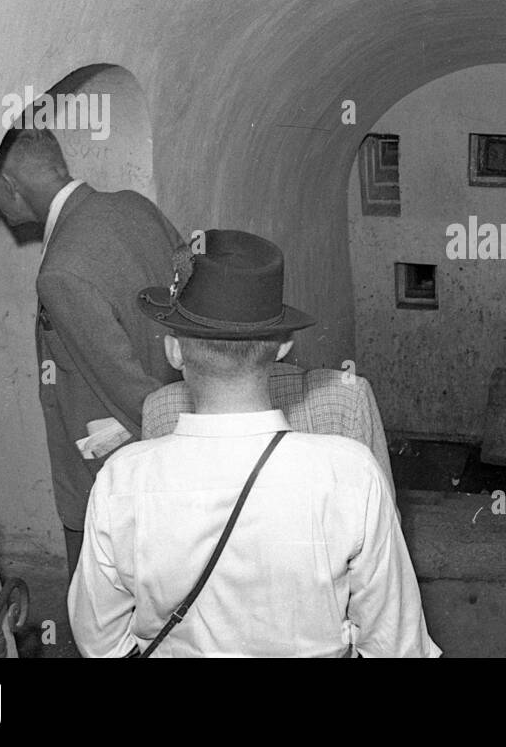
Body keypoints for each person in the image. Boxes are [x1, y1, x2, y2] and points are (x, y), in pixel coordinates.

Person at [67, 230, 439, 657]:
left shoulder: (122, 480)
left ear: (173, 350)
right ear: (283, 346)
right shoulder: (350, 475)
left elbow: (100, 641)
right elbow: (396, 646)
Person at [0, 127, 182, 577]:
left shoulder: (61, 272)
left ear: (11, 188)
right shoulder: (137, 207)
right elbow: (187, 302)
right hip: (176, 443)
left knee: (104, 617)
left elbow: (125, 385)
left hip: (115, 474)